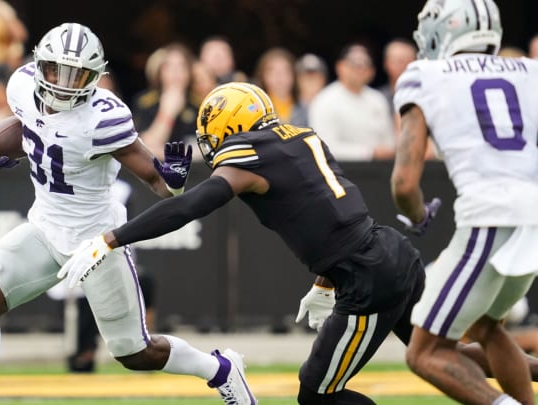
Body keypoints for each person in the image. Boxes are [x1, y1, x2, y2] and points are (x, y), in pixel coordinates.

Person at [60, 81, 538, 404]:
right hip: (389, 251)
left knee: (315, 393)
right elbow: (328, 212)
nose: (209, 141)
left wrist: (111, 238)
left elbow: (192, 205)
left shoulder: (248, 159)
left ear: (229, 125)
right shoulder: (301, 135)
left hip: (367, 274)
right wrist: (324, 284)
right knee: (438, 354)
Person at [0, 23, 256, 405]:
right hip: (44, 226)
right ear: (40, 66)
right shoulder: (21, 85)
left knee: (135, 353)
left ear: (95, 77)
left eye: (78, 75)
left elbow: (156, 180)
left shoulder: (102, 119)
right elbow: (32, 126)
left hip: (96, 241)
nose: (65, 84)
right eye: (57, 71)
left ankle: (220, 369)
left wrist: (175, 181)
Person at [390, 0, 538, 403]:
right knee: (488, 327)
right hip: (533, 215)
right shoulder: (530, 70)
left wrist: (417, 214)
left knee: (425, 353)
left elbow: (404, 183)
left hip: (490, 215)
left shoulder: (425, 75)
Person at [309, 44, 395, 161]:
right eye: (354, 64)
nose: (359, 69)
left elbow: (389, 143)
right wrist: (369, 153)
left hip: (378, 171)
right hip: (340, 172)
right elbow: (324, 147)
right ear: (340, 67)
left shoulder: (378, 99)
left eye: (365, 64)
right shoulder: (324, 100)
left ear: (372, 71)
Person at [132, 43, 202, 159]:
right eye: (169, 67)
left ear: (189, 72)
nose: (175, 72)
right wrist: (167, 113)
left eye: (181, 66)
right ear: (160, 72)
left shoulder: (199, 105)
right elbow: (143, 148)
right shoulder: (144, 102)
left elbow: (201, 150)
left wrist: (163, 153)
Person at [252, 47, 298, 123]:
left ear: (294, 75)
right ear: (262, 76)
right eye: (272, 71)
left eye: (285, 71)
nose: (279, 76)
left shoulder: (308, 107)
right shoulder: (255, 107)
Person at [289, 53, 328, 127]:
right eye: (306, 77)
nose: (310, 82)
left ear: (323, 80)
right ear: (298, 80)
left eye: (315, 77)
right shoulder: (288, 108)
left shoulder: (331, 107)